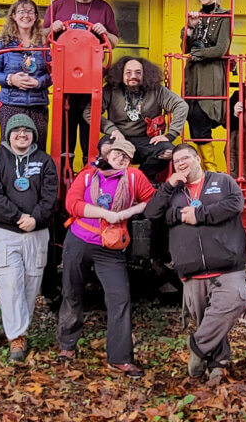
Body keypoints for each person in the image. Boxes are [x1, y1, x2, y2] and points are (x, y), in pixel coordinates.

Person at [144, 144, 246, 380]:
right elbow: (152, 213)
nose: (181, 163)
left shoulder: (222, 181)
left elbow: (235, 204)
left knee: (234, 301)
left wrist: (199, 215)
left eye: (186, 158)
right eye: (177, 160)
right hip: (191, 268)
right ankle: (217, 365)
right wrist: (170, 188)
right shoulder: (172, 192)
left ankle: (197, 346)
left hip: (226, 263)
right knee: (207, 320)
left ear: (197, 159)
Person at [57, 139, 156, 378]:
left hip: (110, 247)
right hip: (79, 240)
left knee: (119, 298)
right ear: (108, 154)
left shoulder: (133, 178)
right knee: (72, 292)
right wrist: (106, 214)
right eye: (117, 153)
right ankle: (67, 347)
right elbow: (73, 204)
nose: (121, 159)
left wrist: (127, 213)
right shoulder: (89, 175)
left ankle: (120, 358)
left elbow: (152, 200)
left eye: (126, 157)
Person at [0, 114, 59, 362]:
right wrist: (17, 217)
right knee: (10, 283)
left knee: (30, 283)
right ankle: (17, 338)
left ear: (33, 135)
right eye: (17, 130)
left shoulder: (44, 161)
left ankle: (21, 329)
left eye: (27, 130)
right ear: (8, 134)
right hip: (7, 231)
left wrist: (35, 218)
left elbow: (50, 195)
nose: (22, 134)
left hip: (37, 232)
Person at [43, 0, 119, 165]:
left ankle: (89, 166)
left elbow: (114, 42)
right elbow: (42, 36)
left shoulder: (104, 8)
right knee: (63, 130)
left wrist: (105, 32)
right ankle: (61, 171)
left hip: (90, 79)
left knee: (89, 127)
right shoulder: (59, 5)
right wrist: (52, 28)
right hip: (63, 78)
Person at [87, 56, 189, 181]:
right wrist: (111, 129)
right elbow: (89, 112)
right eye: (128, 73)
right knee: (105, 147)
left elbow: (181, 106)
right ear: (121, 74)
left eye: (138, 72)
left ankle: (142, 178)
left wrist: (170, 135)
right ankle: (114, 180)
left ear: (145, 74)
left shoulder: (156, 89)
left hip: (146, 140)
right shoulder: (110, 90)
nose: (133, 76)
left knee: (168, 151)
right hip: (119, 137)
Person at [183, 0, 231, 171]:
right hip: (194, 74)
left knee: (203, 113)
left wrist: (198, 53)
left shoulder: (225, 16)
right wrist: (191, 27)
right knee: (193, 116)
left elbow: (220, 49)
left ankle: (211, 170)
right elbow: (185, 47)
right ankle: (208, 169)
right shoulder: (195, 16)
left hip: (211, 74)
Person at [0, 0, 51, 146]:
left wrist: (38, 82)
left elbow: (53, 73)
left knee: (37, 148)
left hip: (38, 105)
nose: (26, 15)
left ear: (36, 16)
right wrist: (11, 79)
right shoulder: (2, 41)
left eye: (30, 11)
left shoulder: (44, 42)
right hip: (11, 104)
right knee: (11, 148)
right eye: (21, 12)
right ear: (14, 16)